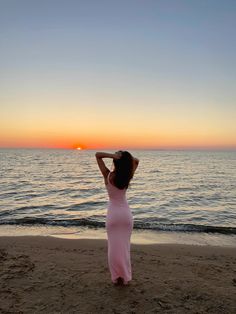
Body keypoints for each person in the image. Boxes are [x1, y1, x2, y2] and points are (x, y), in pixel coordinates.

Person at [95, 150, 139, 286]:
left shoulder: (108, 175)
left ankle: (116, 278)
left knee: (113, 248)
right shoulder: (127, 176)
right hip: (126, 216)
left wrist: (114, 156)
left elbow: (98, 155)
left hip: (113, 215)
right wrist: (124, 159)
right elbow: (136, 160)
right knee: (125, 248)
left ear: (115, 161)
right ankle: (125, 277)